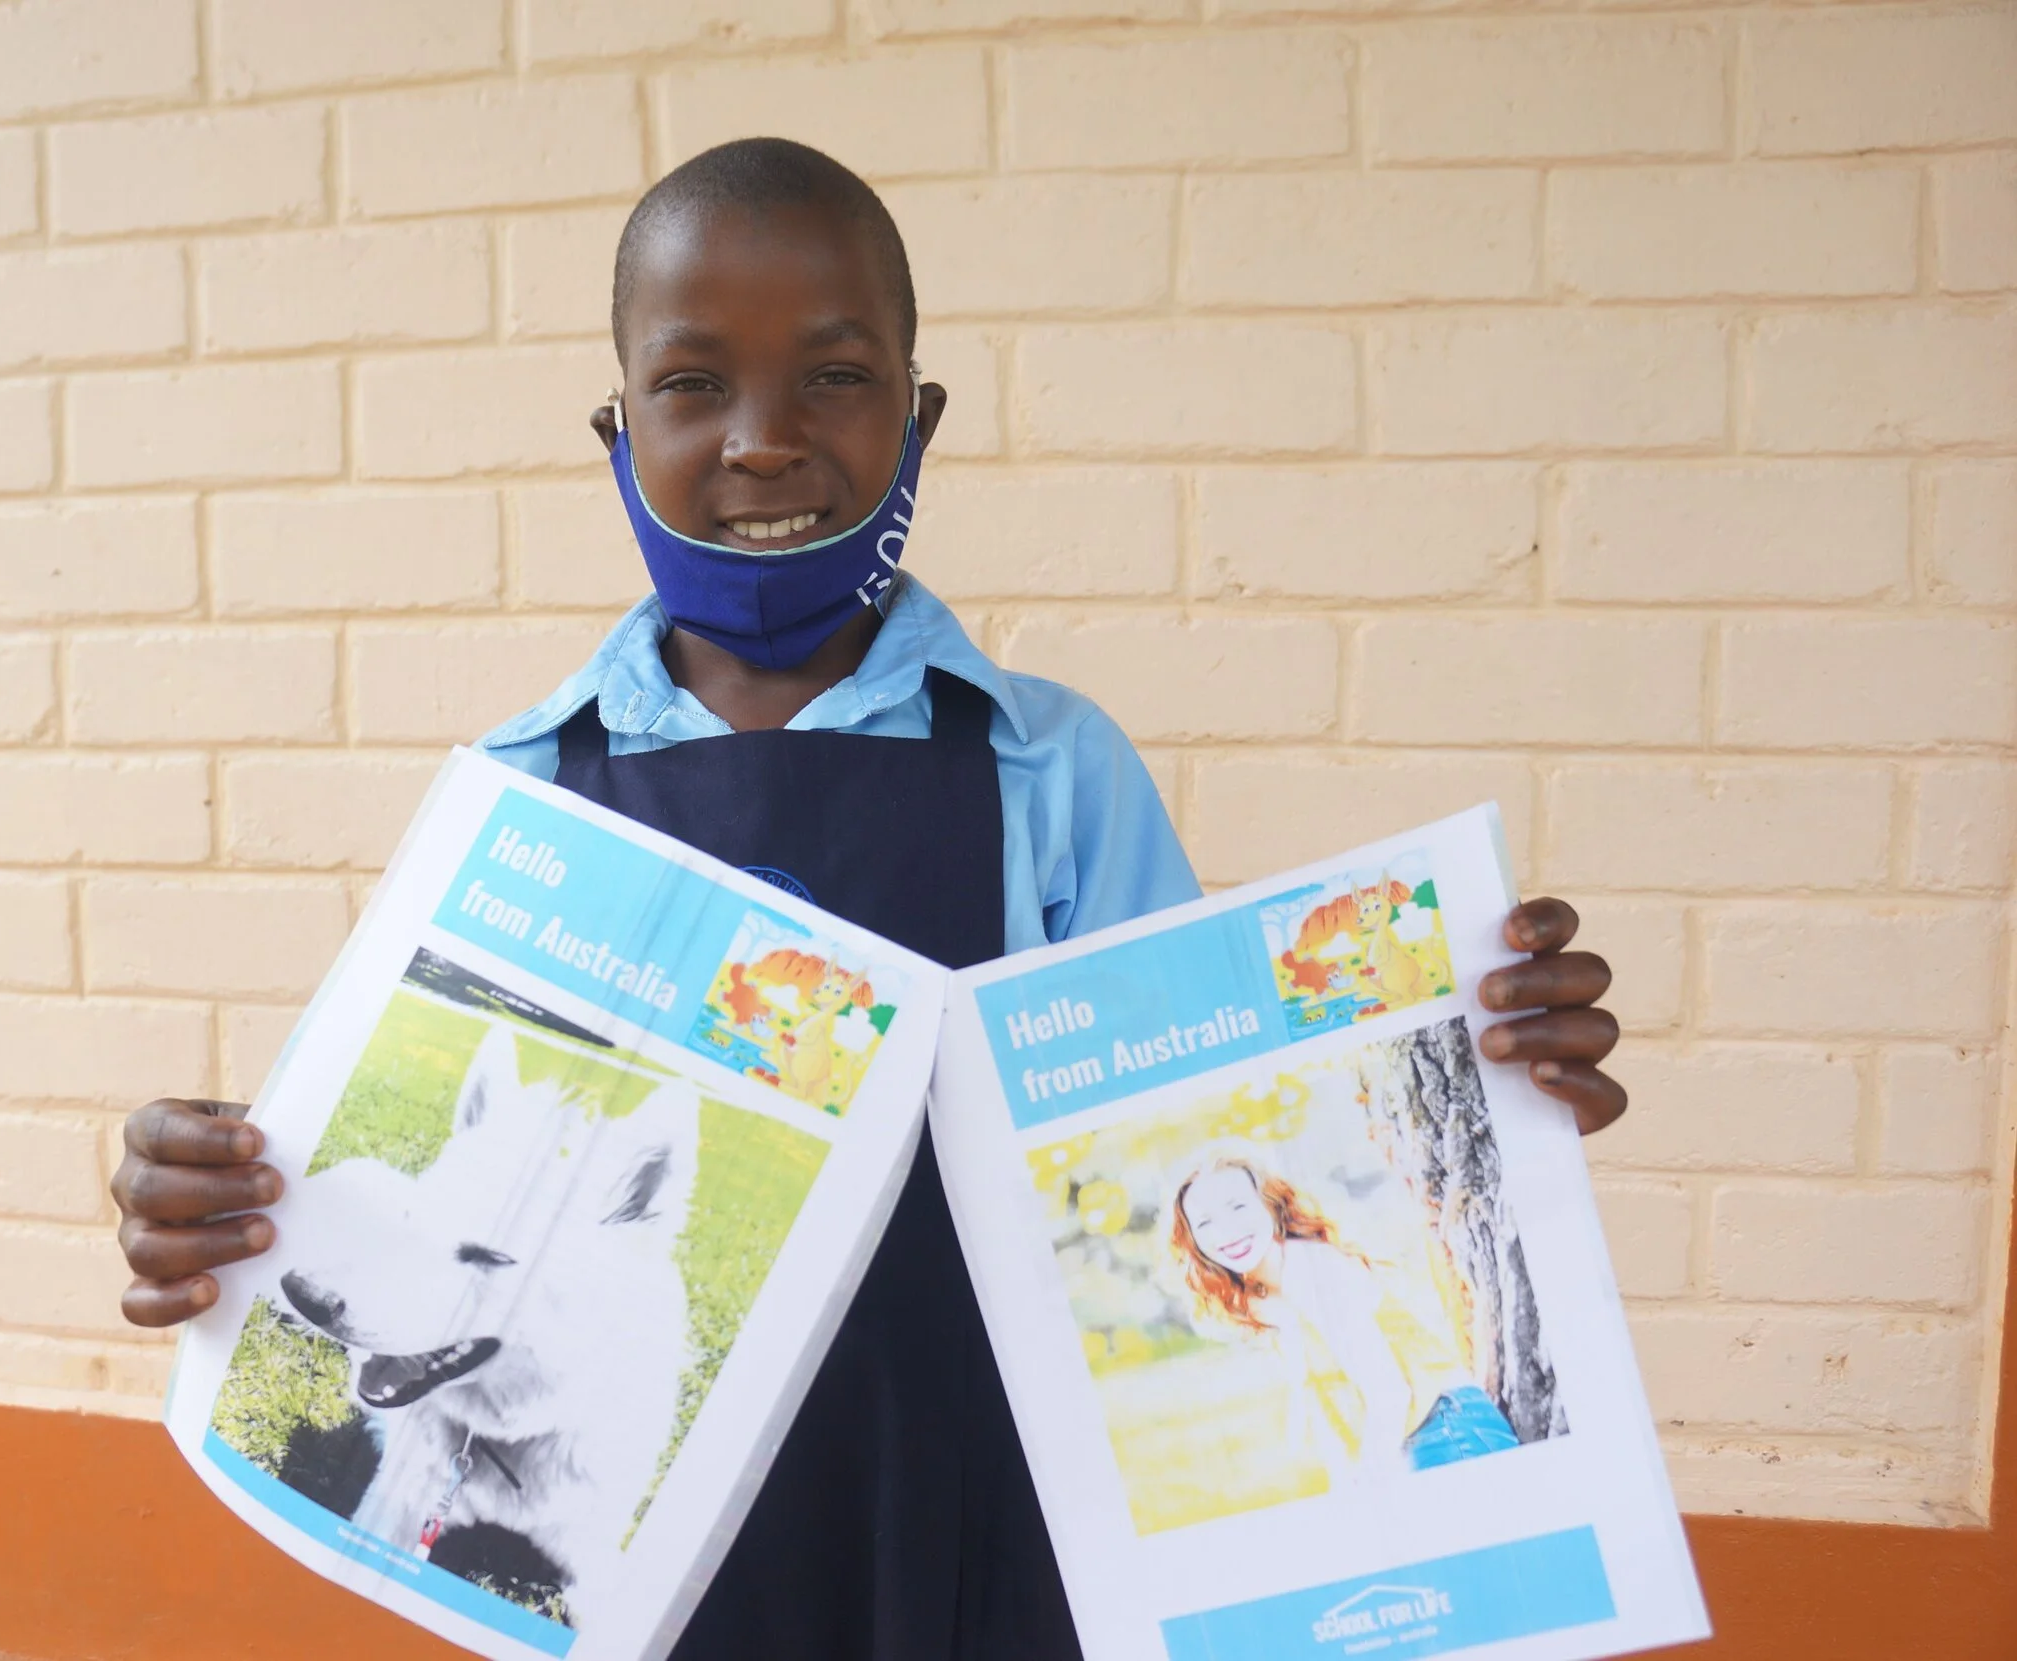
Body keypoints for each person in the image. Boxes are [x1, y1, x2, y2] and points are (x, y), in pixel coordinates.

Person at [110, 138, 1628, 1661]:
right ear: (618, 429)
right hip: (652, 1541)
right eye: (695, 383)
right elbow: (415, 1191)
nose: (763, 440)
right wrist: (216, 1200)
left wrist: (1479, 1062)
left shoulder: (1049, 769)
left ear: (918, 411)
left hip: (984, 1513)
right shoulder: (518, 803)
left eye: (833, 376)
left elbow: (1204, 1113)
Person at [1169, 1145, 1519, 1490]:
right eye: (1205, 1222)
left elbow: (1390, 1392)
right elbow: (1328, 1413)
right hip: (1402, 1443)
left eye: (1238, 1207)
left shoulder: (1313, 1269)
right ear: (1193, 1241)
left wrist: (1369, 1480)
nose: (1227, 1231)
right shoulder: (1261, 1297)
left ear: (1270, 1206)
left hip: (1445, 1427)